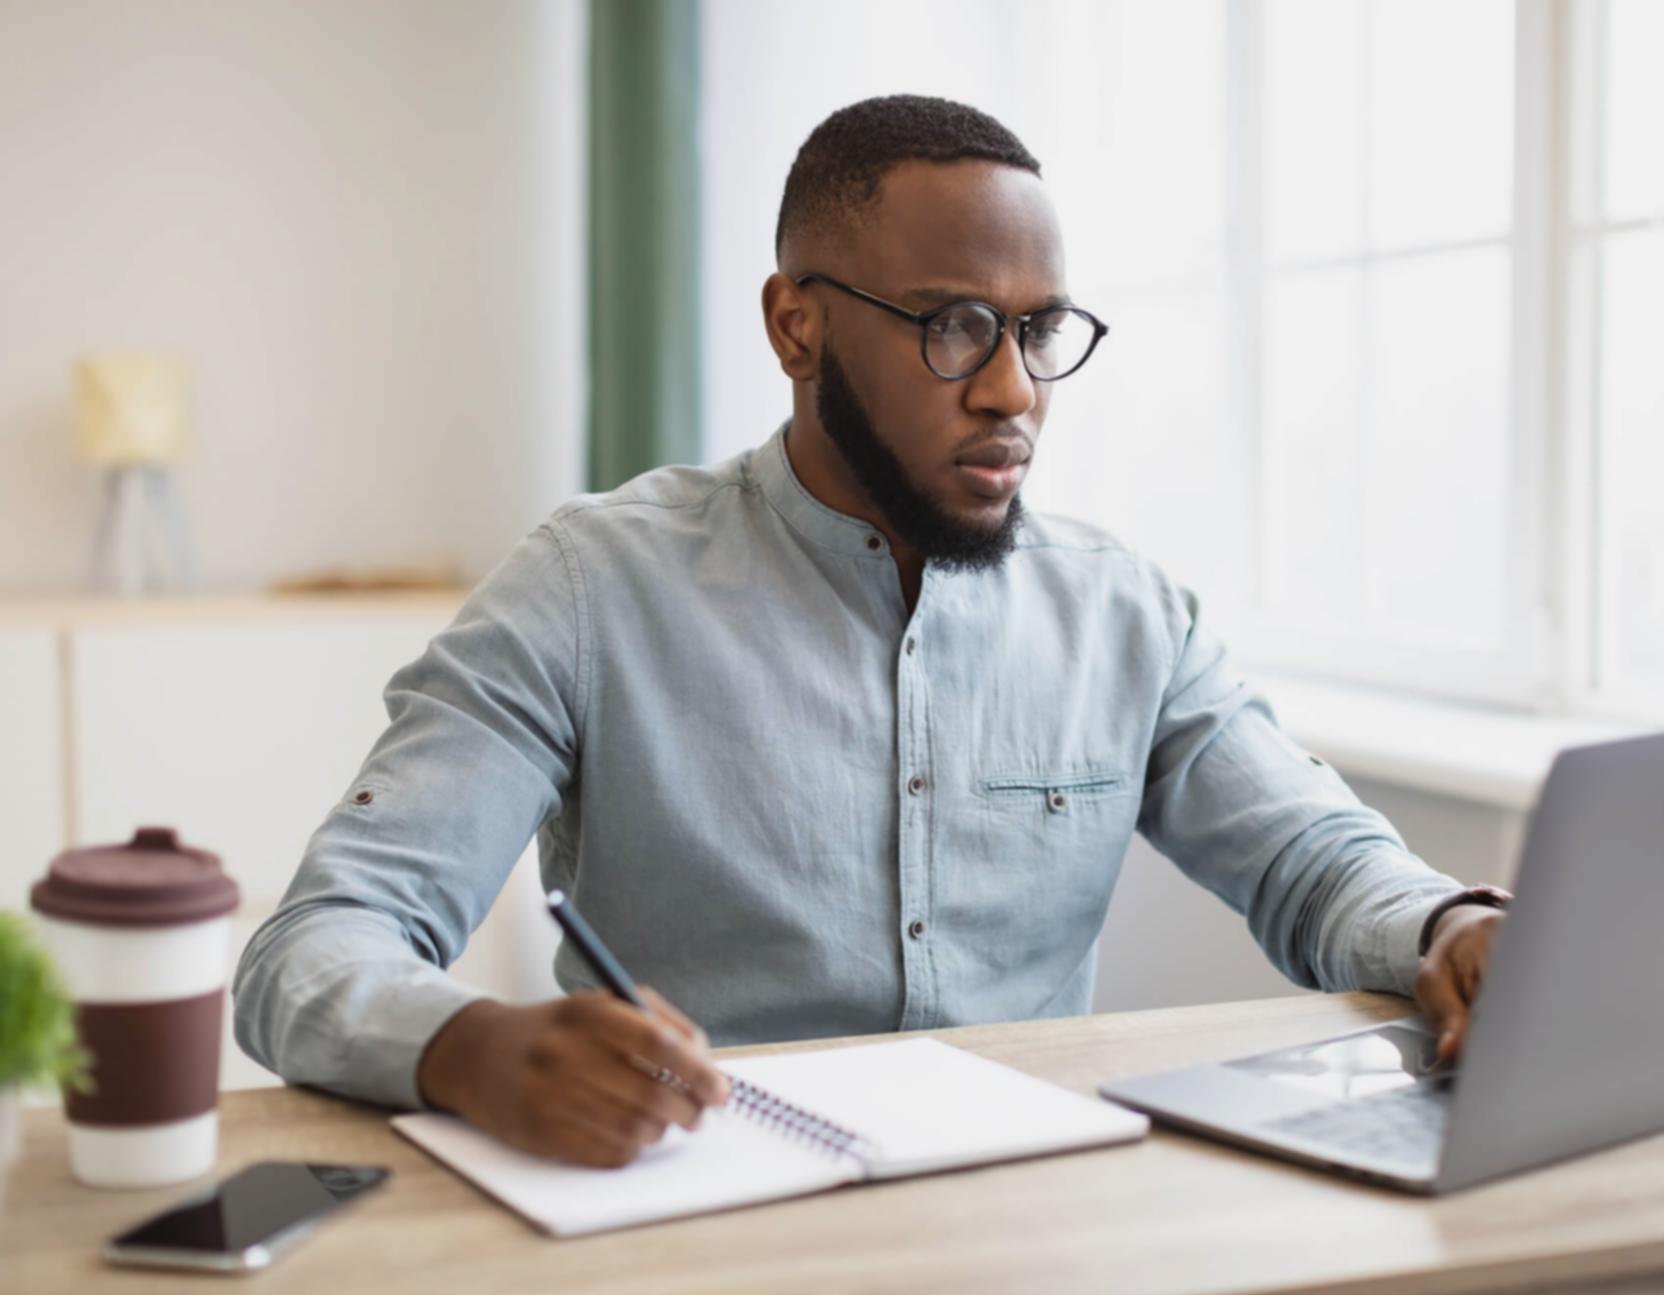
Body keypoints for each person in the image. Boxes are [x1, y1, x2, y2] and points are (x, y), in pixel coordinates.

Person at [234, 94, 1509, 1169]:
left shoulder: (1123, 611)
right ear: (797, 324)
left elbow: (1316, 862)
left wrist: (1451, 927)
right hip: (703, 1211)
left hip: (1035, 1214)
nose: (1011, 388)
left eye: (1038, 331)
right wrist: (468, 1047)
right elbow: (316, 945)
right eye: (952, 325)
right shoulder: (587, 589)